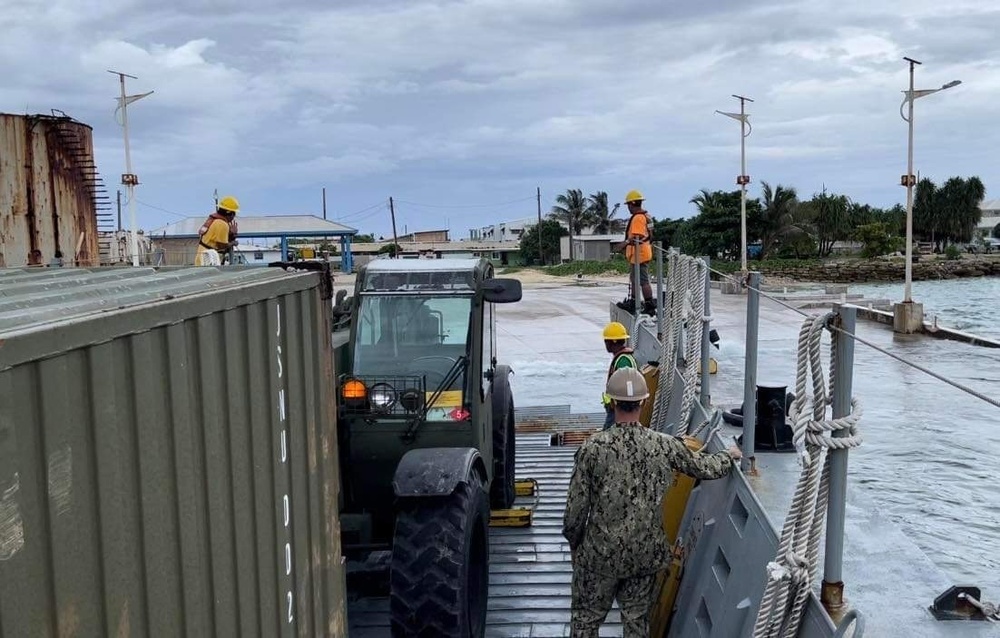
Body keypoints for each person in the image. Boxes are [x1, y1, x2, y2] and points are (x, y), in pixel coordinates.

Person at [563, 367, 742, 637]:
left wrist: (576, 546)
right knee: (636, 622)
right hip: (644, 555)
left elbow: (574, 514)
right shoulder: (663, 445)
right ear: (644, 401)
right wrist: (728, 455)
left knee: (585, 622)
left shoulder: (592, 449)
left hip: (599, 555)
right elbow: (704, 468)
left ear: (611, 401)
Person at [615, 189, 655, 315]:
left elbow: (636, 237)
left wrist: (624, 244)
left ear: (632, 204)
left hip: (640, 254)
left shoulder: (638, 218)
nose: (628, 208)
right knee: (635, 280)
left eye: (628, 205)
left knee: (643, 281)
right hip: (640, 253)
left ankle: (649, 306)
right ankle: (633, 302)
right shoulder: (645, 216)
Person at [600, 322, 637, 430]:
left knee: (608, 435)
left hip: (619, 410)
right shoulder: (622, 358)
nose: (605, 344)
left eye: (606, 341)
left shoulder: (623, 361)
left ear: (612, 342)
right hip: (617, 408)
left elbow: (626, 387)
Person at [196, 195, 240, 266]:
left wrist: (231, 235)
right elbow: (221, 246)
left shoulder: (214, 220)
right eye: (234, 214)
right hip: (209, 260)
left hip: (202, 258)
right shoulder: (222, 224)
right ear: (230, 213)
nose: (233, 217)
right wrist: (233, 243)